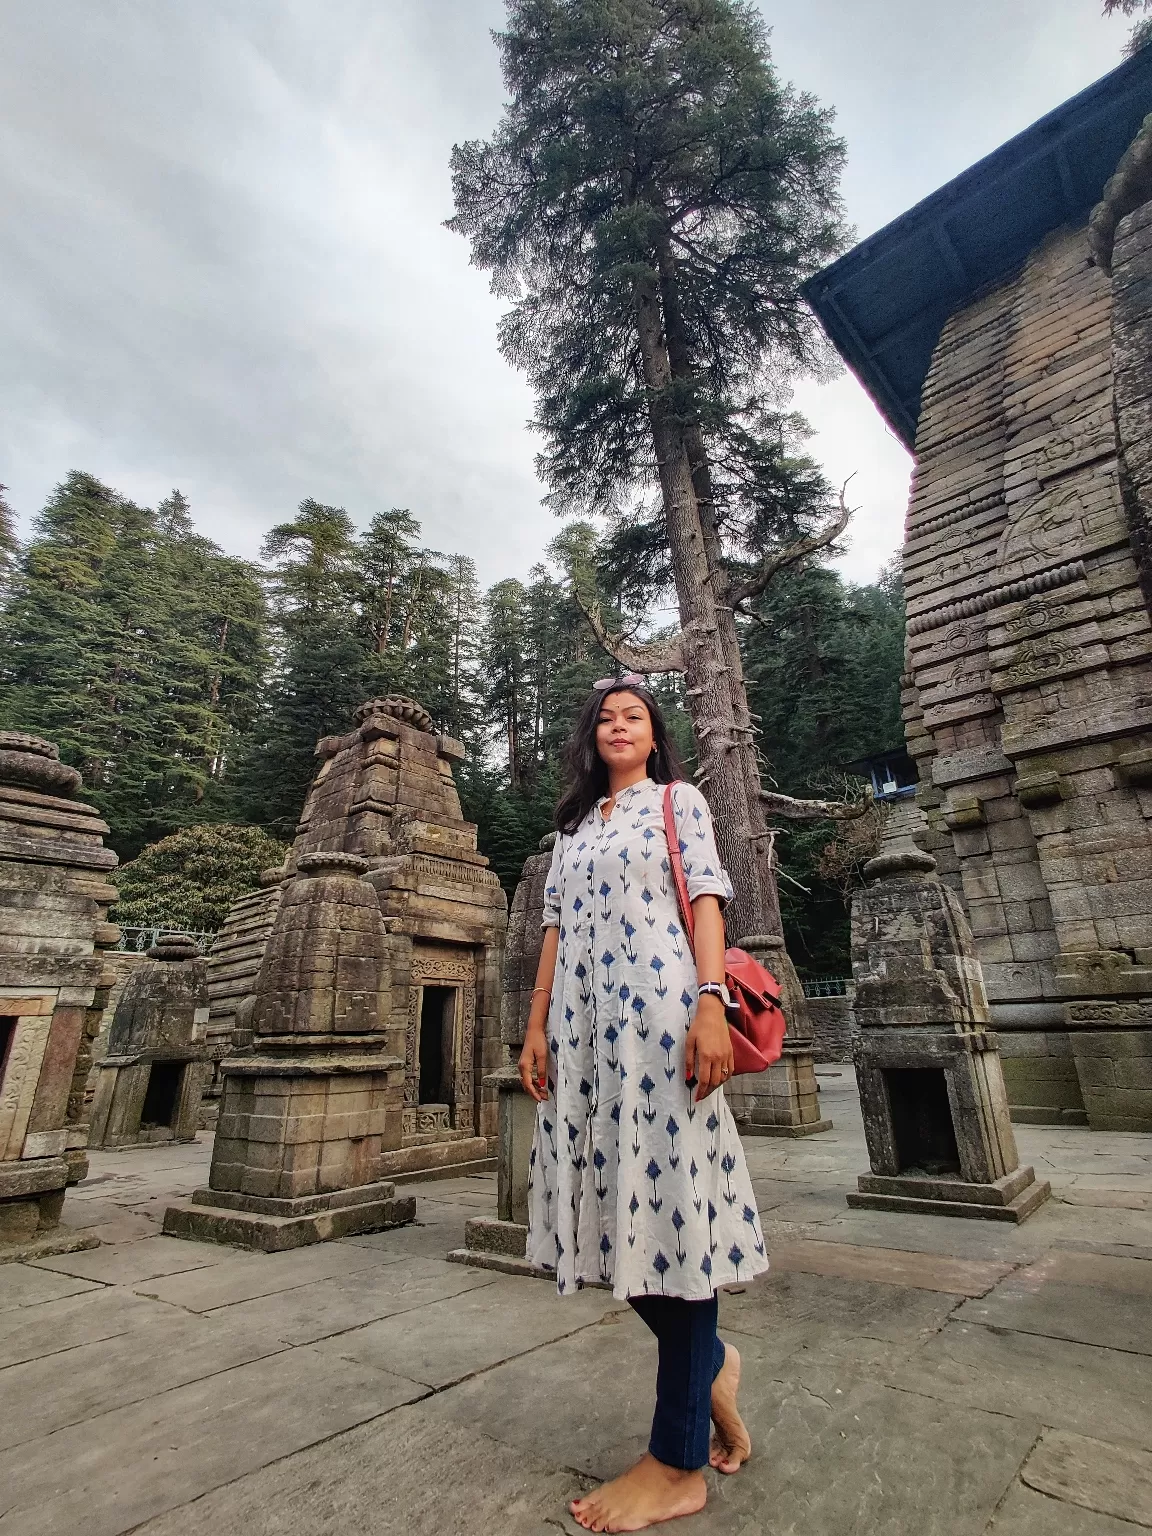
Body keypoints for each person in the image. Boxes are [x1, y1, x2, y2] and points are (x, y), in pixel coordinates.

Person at [519, 674, 768, 1533]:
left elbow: (706, 901)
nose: (618, 727)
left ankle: (676, 1463)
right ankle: (711, 1368)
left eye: (634, 717)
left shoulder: (679, 801)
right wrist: (535, 1025)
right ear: (590, 740)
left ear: (654, 737)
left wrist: (708, 1002)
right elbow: (552, 929)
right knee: (610, 1226)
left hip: (661, 1022)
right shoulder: (573, 830)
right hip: (582, 1041)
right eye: (604, 719)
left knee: (670, 1219)